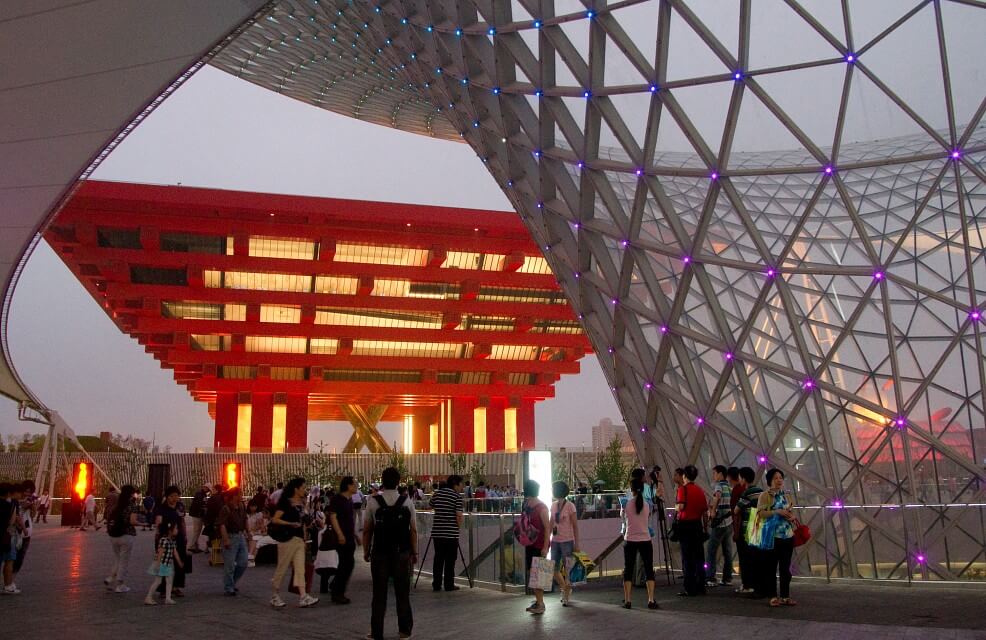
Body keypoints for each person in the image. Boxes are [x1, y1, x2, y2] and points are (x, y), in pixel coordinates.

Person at [363, 467, 416, 640]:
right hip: (401, 553)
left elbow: (367, 530)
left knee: (379, 594)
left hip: (380, 553)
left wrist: (366, 550)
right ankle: (404, 631)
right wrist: (414, 552)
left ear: (382, 481)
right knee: (402, 593)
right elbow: (413, 530)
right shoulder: (406, 501)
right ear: (398, 481)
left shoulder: (373, 501)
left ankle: (376, 632)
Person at [270, 477, 318, 608]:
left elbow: (304, 522)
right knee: (283, 566)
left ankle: (303, 596)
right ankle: (275, 594)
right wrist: (290, 524)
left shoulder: (302, 503)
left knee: (300, 568)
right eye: (303, 488)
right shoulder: (285, 503)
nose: (305, 490)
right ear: (296, 489)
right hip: (287, 538)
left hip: (299, 539)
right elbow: (275, 519)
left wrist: (304, 536)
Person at [756, 468, 797, 607]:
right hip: (773, 537)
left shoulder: (786, 495)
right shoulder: (765, 496)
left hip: (787, 535)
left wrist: (791, 516)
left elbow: (790, 510)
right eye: (776, 478)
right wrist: (776, 512)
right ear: (769, 481)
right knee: (771, 568)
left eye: (781, 477)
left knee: (786, 568)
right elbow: (760, 513)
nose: (779, 480)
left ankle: (785, 596)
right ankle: (773, 596)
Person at [622, 478, 657, 610]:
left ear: (631, 490)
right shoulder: (647, 505)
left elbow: (624, 518)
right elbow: (646, 518)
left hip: (630, 539)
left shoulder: (626, 504)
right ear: (642, 489)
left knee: (628, 570)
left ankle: (628, 600)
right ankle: (651, 599)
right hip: (645, 539)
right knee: (649, 569)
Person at [518, 479, 550, 615]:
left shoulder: (540, 507)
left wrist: (545, 546)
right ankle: (538, 601)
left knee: (538, 574)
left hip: (537, 544)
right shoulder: (530, 505)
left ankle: (540, 602)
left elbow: (547, 528)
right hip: (533, 544)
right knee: (534, 573)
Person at [675, 464, 708, 597]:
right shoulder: (700, 490)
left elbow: (681, 506)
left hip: (686, 526)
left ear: (684, 476)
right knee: (699, 557)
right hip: (697, 525)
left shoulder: (683, 489)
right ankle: (701, 585)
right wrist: (705, 527)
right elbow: (705, 512)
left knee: (687, 557)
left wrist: (676, 507)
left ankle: (690, 587)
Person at [429, 474, 464, 593]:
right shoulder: (456, 497)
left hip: (437, 533)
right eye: (461, 484)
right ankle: (449, 585)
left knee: (438, 559)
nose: (462, 487)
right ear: (455, 484)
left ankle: (436, 584)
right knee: (450, 560)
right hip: (451, 533)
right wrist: (458, 528)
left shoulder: (437, 494)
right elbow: (459, 515)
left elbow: (431, 505)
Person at [326, 476, 357, 603]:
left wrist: (355, 535)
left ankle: (336, 586)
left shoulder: (349, 500)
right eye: (355, 484)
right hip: (342, 537)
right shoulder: (337, 499)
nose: (356, 486)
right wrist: (340, 534)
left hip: (349, 537)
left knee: (347, 564)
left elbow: (350, 520)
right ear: (348, 486)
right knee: (346, 564)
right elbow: (333, 517)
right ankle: (337, 592)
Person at [153, 486, 188, 598]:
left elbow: (182, 521)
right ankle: (163, 588)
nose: (174, 498)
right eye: (172, 496)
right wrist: (158, 538)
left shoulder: (180, 507)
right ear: (167, 497)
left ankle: (176, 586)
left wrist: (184, 535)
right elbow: (158, 523)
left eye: (176, 496)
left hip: (180, 537)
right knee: (164, 562)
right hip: (165, 538)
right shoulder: (161, 508)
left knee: (180, 561)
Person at [105, 484, 138, 593]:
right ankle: (120, 584)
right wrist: (143, 523)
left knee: (118, 558)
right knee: (124, 561)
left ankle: (110, 578)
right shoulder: (131, 506)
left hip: (113, 536)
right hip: (126, 535)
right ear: (131, 494)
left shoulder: (117, 506)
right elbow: (133, 521)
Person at [550, 481, 579, 606]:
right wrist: (548, 539)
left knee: (568, 569)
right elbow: (551, 522)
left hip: (567, 540)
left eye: (553, 489)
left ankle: (566, 595)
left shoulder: (570, 506)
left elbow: (575, 526)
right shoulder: (553, 505)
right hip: (555, 541)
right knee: (553, 568)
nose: (552, 491)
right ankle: (565, 588)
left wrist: (577, 543)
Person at [734, 466, 762, 595]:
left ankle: (747, 585)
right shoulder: (760, 491)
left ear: (744, 479)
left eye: (740, 478)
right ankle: (757, 584)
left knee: (746, 558)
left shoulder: (746, 493)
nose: (739, 480)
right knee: (756, 558)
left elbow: (736, 510)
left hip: (747, 529)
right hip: (758, 528)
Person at [705, 465, 734, 587]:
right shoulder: (728, 486)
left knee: (711, 549)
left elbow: (717, 496)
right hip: (729, 522)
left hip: (720, 523)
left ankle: (711, 577)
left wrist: (712, 511)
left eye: (715, 473)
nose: (714, 476)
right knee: (727, 551)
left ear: (721, 474)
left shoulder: (719, 486)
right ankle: (727, 578)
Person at [218, 486, 249, 596]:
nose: (241, 496)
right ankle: (229, 587)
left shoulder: (241, 506)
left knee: (243, 561)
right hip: (230, 536)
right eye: (240, 494)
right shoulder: (226, 508)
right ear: (234, 496)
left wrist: (248, 532)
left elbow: (245, 519)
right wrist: (225, 539)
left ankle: (232, 582)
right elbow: (222, 525)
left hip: (240, 535)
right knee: (229, 564)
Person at [144, 521, 183, 605]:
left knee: (169, 581)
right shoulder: (164, 540)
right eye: (175, 528)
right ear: (170, 531)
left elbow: (174, 552)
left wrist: (179, 561)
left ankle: (168, 598)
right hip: (161, 564)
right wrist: (158, 564)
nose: (177, 530)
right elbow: (160, 552)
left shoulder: (172, 540)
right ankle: (148, 597)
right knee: (158, 581)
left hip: (167, 564)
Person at [13, 480, 34, 581]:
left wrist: (33, 507)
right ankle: (8, 581)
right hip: (18, 533)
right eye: (26, 491)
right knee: (13, 558)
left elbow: (32, 516)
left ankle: (11, 580)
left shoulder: (29, 502)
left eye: (29, 492)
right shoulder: (16, 503)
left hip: (27, 534)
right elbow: (17, 517)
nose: (27, 494)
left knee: (20, 558)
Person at [187, 484, 210, 554]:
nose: (208, 490)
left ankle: (195, 546)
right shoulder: (201, 494)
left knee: (196, 531)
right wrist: (204, 506)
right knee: (197, 531)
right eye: (208, 489)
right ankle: (191, 546)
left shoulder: (200, 493)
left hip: (196, 514)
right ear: (205, 488)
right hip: (197, 515)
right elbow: (199, 504)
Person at [246, 501, 266, 566]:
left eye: (255, 506)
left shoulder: (259, 514)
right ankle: (252, 561)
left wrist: (251, 531)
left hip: (257, 532)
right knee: (252, 538)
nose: (253, 508)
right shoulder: (246, 515)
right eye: (252, 506)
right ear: (249, 507)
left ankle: (250, 556)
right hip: (248, 532)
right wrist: (248, 531)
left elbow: (260, 526)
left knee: (253, 537)